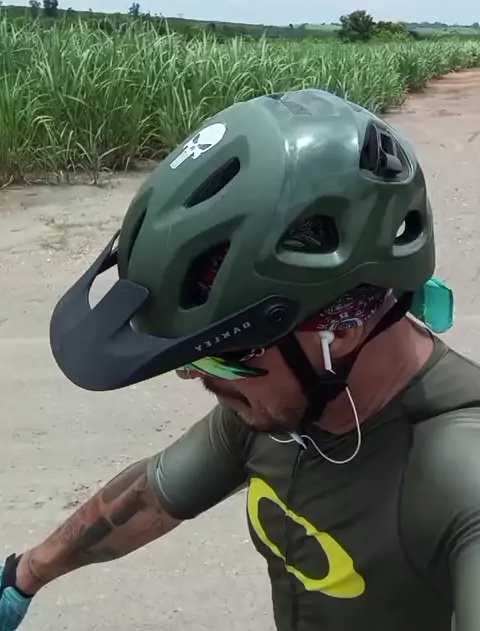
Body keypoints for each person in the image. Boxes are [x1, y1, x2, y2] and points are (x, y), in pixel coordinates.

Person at [1, 87, 480, 631]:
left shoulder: (459, 473)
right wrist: (22, 577)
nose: (194, 376)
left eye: (222, 357)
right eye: (190, 356)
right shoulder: (278, 408)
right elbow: (151, 499)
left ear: (340, 330)